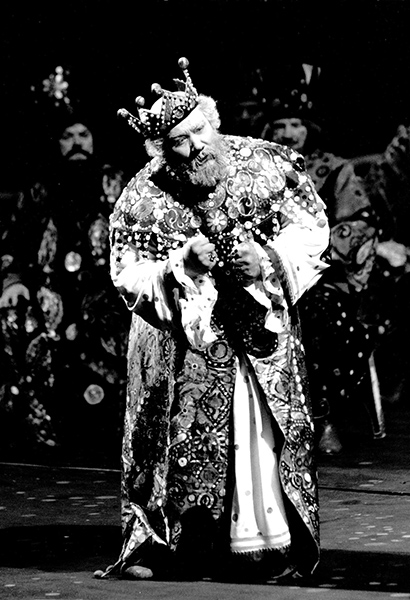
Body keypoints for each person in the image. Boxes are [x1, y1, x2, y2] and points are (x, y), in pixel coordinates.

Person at [95, 57, 330, 582]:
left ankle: (271, 547)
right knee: (172, 440)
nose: (195, 144)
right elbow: (127, 273)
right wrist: (182, 267)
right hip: (181, 342)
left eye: (199, 130)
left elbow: (310, 229)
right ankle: (170, 546)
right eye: (179, 140)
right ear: (160, 149)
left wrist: (268, 260)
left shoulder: (267, 162)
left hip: (254, 327)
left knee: (259, 433)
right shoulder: (143, 195)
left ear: (213, 119)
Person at [253, 62, 409, 454]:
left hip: (321, 278)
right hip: (260, 275)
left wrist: (305, 257)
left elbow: (355, 226)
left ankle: (323, 419)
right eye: (280, 126)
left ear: (310, 128)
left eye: (296, 125)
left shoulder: (335, 169)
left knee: (321, 314)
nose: (288, 133)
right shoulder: (254, 169)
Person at [0, 66, 130, 463]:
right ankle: (41, 435)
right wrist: (13, 281)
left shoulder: (117, 182)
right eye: (67, 136)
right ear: (55, 143)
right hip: (48, 292)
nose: (76, 142)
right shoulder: (38, 187)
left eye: (83, 135)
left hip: (106, 292)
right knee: (18, 323)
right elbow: (14, 244)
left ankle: (110, 435)